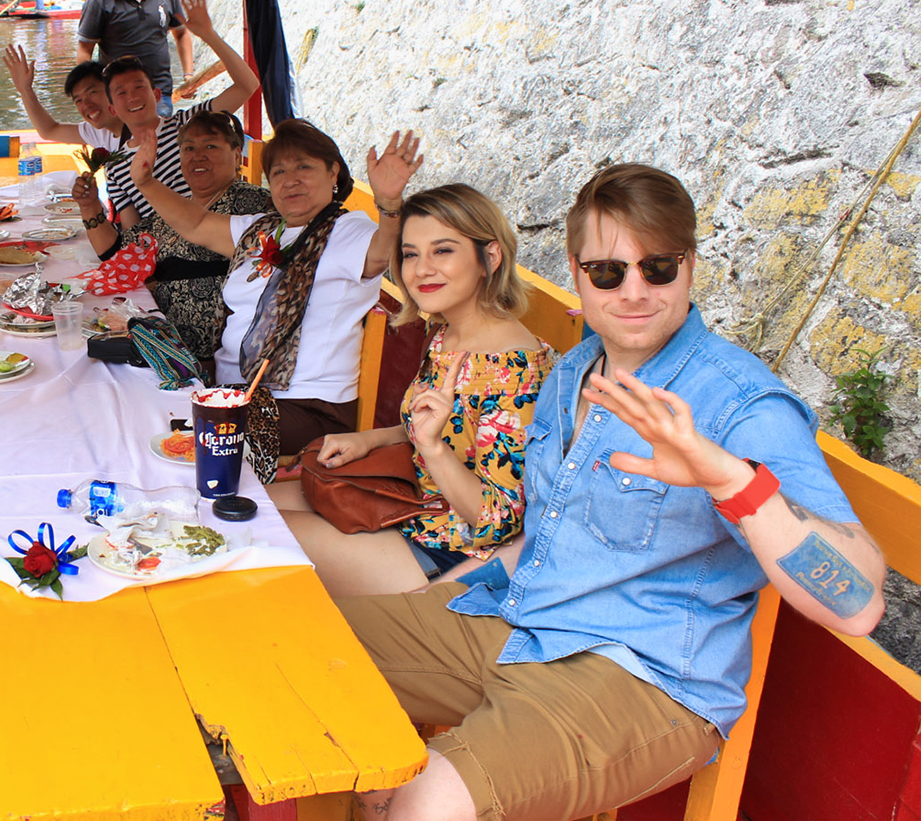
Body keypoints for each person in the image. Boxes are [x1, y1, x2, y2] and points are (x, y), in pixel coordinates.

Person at [339, 163, 886, 821]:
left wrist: (730, 480)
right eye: (607, 272)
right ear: (577, 274)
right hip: (524, 618)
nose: (633, 290)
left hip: (642, 675)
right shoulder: (572, 371)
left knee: (427, 803)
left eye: (657, 267)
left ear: (688, 266)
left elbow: (858, 603)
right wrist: (435, 599)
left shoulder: (740, 401)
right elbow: (537, 539)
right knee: (308, 645)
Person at [271, 180, 553, 598]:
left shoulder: (514, 371)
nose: (421, 269)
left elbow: (498, 521)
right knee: (249, 502)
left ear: (489, 256)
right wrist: (369, 439)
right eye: (409, 255)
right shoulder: (446, 334)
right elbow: (437, 427)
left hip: (450, 551)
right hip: (410, 505)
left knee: (250, 527)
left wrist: (432, 448)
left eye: (442, 250)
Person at [131, 119, 422, 453]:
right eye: (279, 172)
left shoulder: (348, 230)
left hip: (306, 407)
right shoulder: (263, 228)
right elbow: (196, 224)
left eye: (304, 166)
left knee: (181, 436)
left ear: (334, 174)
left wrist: (388, 204)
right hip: (232, 390)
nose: (291, 180)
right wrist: (147, 182)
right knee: (140, 399)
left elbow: (384, 250)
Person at [74, 109, 273, 372]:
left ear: (236, 154)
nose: (197, 156)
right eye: (188, 148)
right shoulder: (176, 208)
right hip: (162, 342)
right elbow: (118, 255)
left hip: (212, 358)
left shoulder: (254, 204)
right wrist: (90, 208)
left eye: (210, 146)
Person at [74, 0, 258, 233]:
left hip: (213, 235)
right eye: (121, 92)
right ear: (112, 108)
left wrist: (208, 34)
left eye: (140, 87)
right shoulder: (115, 167)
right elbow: (134, 235)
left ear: (157, 95)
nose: (133, 97)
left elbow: (248, 85)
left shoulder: (189, 124)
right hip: (165, 256)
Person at [78, 0, 191, 115]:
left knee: (158, 140)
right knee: (123, 143)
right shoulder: (99, 1)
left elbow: (182, 33)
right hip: (116, 97)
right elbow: (85, 49)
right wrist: (87, 92)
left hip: (159, 92)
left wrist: (188, 74)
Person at [2, 51, 124, 153]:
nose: (86, 104)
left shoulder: (137, 130)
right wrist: (25, 90)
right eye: (79, 100)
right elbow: (49, 130)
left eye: (92, 93)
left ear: (112, 89)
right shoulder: (98, 131)